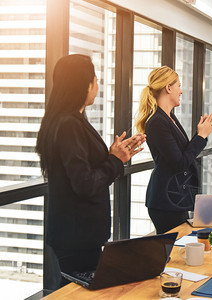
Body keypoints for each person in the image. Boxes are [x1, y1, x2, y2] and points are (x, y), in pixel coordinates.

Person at [35, 54, 146, 286]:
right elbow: (84, 183)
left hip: (78, 234)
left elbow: (83, 167)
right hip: (76, 237)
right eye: (95, 80)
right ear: (82, 84)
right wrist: (115, 160)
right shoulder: (68, 124)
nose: (98, 85)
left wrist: (115, 154)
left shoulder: (71, 120)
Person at [136, 66, 212, 234]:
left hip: (176, 197)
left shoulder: (170, 117)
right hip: (166, 201)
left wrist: (201, 133)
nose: (181, 91)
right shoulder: (157, 121)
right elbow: (180, 163)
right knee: (173, 252)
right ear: (168, 88)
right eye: (178, 86)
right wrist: (200, 137)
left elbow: (183, 154)